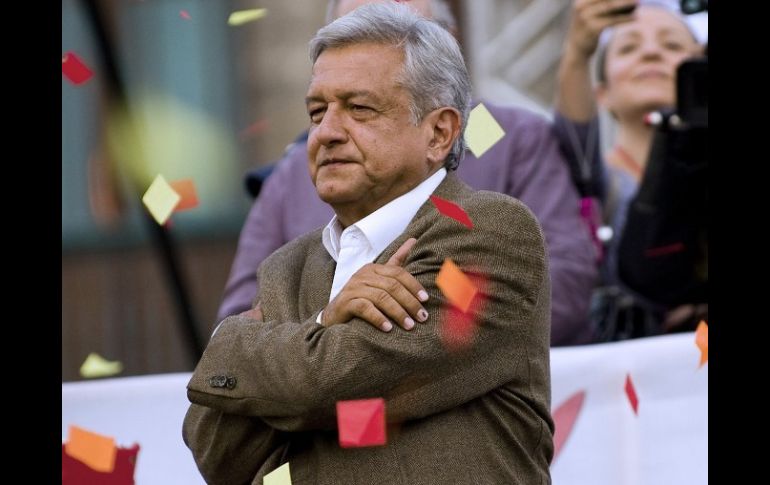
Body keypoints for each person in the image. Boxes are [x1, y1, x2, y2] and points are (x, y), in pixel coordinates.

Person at [183, 4, 553, 483]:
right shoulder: (285, 268)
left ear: (439, 132)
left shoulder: (489, 232)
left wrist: (230, 343)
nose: (326, 133)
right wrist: (325, 321)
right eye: (317, 112)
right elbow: (215, 452)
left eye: (359, 108)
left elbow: (338, 385)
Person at [218, 0, 598, 346]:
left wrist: (394, 316)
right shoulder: (294, 177)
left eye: (397, 35)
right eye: (351, 40)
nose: (330, 131)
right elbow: (232, 340)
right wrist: (325, 320)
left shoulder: (512, 143)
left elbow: (556, 290)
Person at [552, 0, 705, 338]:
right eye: (629, 47)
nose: (651, 52)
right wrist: (578, 52)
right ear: (602, 94)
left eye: (672, 46)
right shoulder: (591, 183)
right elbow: (574, 135)